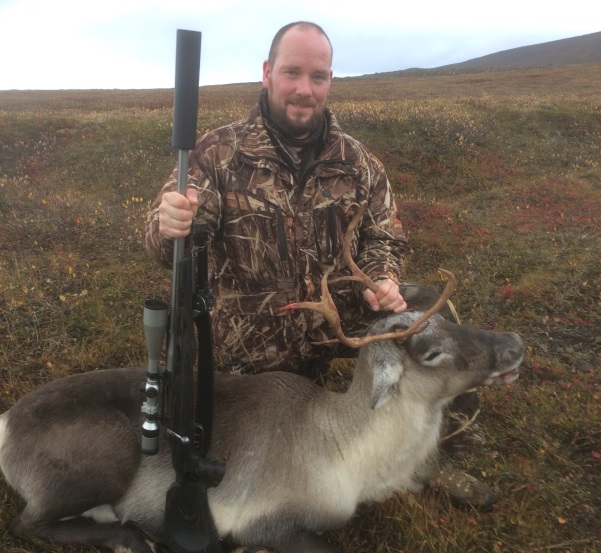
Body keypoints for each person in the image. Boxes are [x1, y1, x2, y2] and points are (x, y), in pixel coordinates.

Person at [145, 21, 494, 508]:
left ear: (330, 80)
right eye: (292, 72)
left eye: (318, 76)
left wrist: (382, 278)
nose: (304, 90)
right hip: (256, 341)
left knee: (428, 314)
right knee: (275, 445)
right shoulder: (216, 155)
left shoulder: (357, 162)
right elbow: (165, 248)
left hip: (339, 319)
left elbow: (383, 234)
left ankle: (433, 453)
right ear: (267, 73)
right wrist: (168, 225)